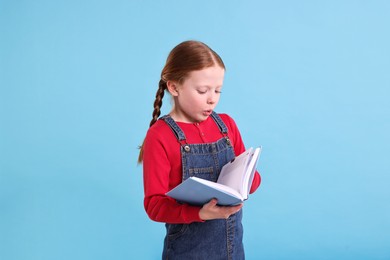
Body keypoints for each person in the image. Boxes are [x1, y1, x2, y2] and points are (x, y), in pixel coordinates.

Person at [138, 40, 261, 259]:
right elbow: (154, 205)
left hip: (232, 249)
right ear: (174, 87)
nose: (212, 99)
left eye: (218, 90)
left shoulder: (227, 125)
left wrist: (248, 179)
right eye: (202, 90)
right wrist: (200, 213)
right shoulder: (160, 136)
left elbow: (253, 181)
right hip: (188, 252)